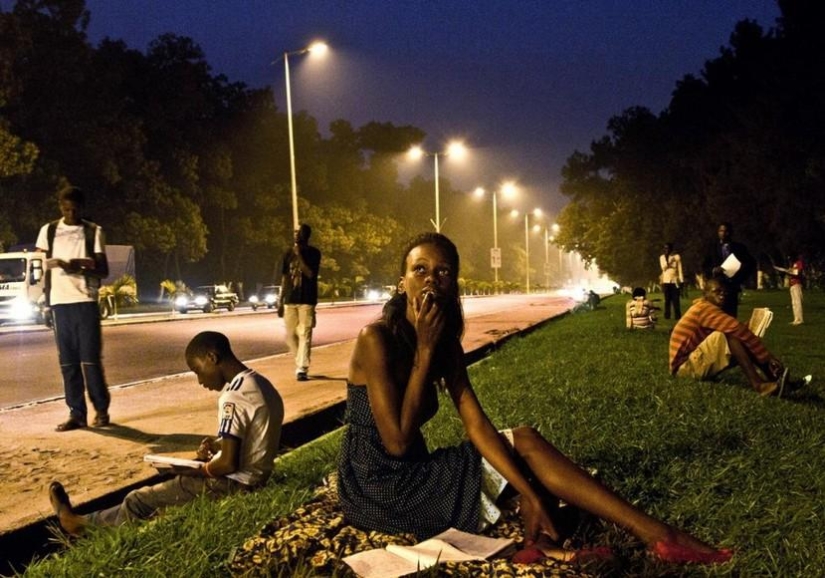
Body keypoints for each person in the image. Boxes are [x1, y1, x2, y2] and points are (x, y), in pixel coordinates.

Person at [337, 232, 732, 565]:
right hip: (377, 486)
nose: (430, 280)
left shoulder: (443, 345)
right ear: (402, 280)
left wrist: (527, 491)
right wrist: (423, 353)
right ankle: (658, 535)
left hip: (415, 473)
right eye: (419, 270)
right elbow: (397, 443)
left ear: (453, 282)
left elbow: (476, 424)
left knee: (521, 455)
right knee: (524, 448)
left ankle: (561, 540)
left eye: (442, 272)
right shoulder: (377, 340)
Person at [48, 331, 284, 535]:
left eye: (197, 370)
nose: (200, 380)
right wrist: (219, 444)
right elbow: (255, 439)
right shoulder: (260, 384)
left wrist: (199, 470)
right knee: (168, 489)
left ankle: (78, 525)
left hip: (233, 485)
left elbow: (228, 465)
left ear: (212, 357)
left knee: (138, 500)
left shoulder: (234, 396)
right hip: (256, 478)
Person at [36, 187, 111, 431]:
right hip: (59, 303)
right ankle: (76, 413)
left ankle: (101, 411)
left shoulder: (93, 232)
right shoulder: (48, 231)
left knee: (90, 361)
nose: (71, 214)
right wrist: (46, 304)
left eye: (75, 210)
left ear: (83, 208)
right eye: (66, 209)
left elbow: (103, 270)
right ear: (60, 207)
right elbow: (43, 270)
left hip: (85, 302)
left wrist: (77, 268)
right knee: (67, 363)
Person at [669, 276, 801, 397]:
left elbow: (736, 328)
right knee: (731, 335)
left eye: (723, 292)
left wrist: (750, 324)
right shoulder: (705, 309)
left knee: (738, 336)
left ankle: (777, 382)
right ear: (705, 294)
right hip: (684, 368)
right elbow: (736, 329)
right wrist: (768, 356)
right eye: (717, 291)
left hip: (690, 363)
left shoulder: (704, 307)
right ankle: (759, 385)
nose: (722, 295)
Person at [278, 224, 322, 381]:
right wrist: (280, 300)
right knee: (290, 335)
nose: (296, 234)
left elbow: (310, 273)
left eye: (300, 232)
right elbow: (284, 278)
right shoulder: (288, 253)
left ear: (306, 235)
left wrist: (299, 256)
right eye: (295, 232)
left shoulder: (314, 253)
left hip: (307, 300)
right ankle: (300, 361)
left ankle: (302, 368)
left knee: (305, 333)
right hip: (290, 299)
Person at [701, 222, 754, 319]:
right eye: (721, 231)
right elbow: (704, 266)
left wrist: (739, 278)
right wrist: (714, 270)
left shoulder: (739, 248)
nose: (723, 233)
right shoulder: (711, 247)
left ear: (730, 233)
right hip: (716, 286)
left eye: (726, 231)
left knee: (731, 316)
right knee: (716, 315)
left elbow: (749, 265)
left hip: (731, 286)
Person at [775, 254, 805, 325]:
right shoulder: (793, 264)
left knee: (798, 302)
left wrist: (789, 272)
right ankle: (796, 319)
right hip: (792, 285)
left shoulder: (798, 263)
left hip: (796, 284)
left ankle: (800, 319)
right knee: (794, 303)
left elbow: (798, 273)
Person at [659, 243, 683, 319]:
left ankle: (677, 315)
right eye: (665, 248)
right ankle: (667, 315)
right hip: (666, 281)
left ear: (671, 249)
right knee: (667, 300)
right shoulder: (662, 257)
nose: (667, 250)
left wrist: (681, 281)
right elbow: (663, 268)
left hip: (674, 281)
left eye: (668, 248)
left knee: (676, 300)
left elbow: (680, 269)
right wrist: (670, 261)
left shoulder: (677, 257)